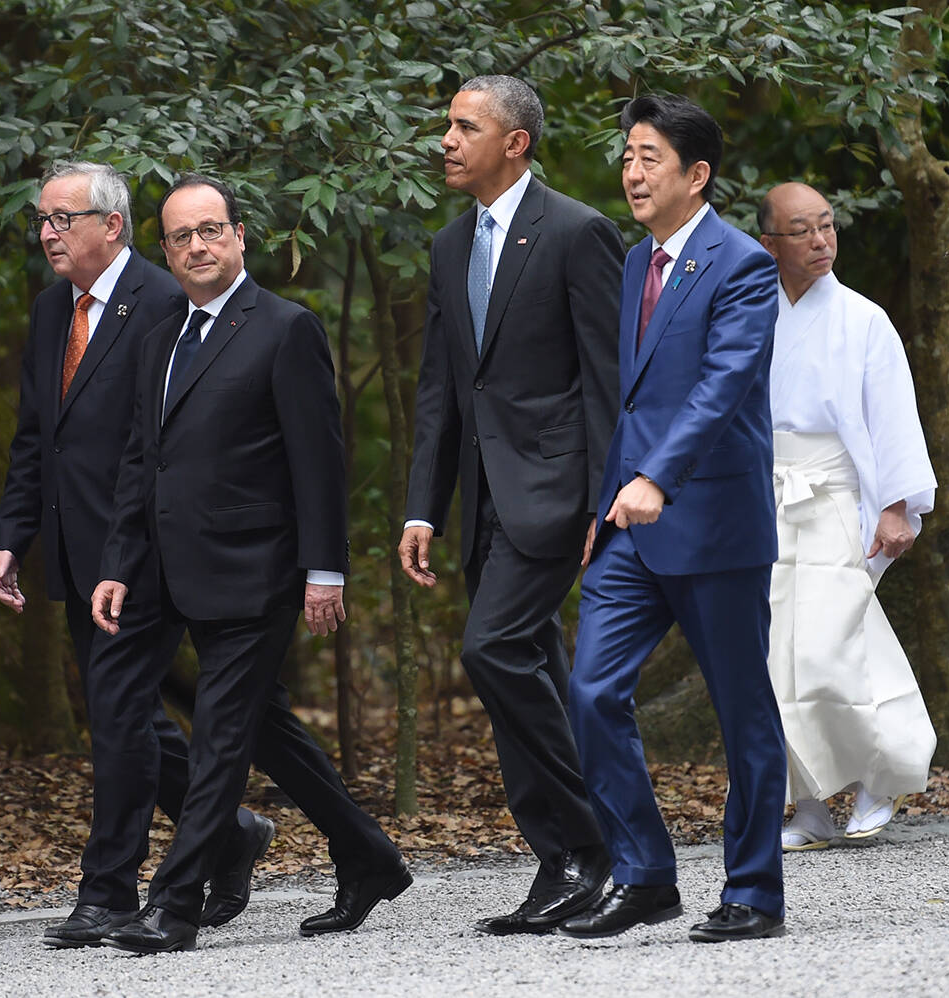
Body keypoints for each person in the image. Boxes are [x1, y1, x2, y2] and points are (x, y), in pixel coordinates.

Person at [90, 174, 408, 954]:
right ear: (162, 249)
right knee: (260, 727)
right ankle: (368, 855)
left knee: (219, 740)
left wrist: (324, 572)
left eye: (210, 230)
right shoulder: (159, 332)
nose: (196, 246)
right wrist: (119, 562)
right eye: (180, 237)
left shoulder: (284, 328)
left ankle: (173, 904)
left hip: (254, 572)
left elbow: (318, 463)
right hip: (166, 571)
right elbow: (143, 461)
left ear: (240, 236)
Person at [0, 161, 274, 946]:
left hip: (146, 553)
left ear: (110, 225)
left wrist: (130, 550)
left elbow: (158, 448)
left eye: (60, 218)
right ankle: (232, 834)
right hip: (76, 554)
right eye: (41, 221)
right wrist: (14, 536)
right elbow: (33, 439)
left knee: (118, 717)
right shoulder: (52, 312)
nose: (46, 233)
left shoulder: (162, 300)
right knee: (132, 718)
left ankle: (109, 889)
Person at [559, 94, 789, 944]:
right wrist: (608, 502)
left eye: (649, 156)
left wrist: (657, 476)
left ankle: (755, 891)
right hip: (631, 526)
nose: (631, 171)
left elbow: (722, 386)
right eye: (626, 156)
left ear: (697, 174)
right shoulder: (634, 264)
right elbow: (633, 402)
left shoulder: (742, 265)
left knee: (742, 713)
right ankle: (648, 872)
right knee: (589, 691)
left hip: (716, 522)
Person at [398, 74, 623, 935]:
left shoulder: (576, 231)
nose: (446, 140)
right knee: (524, 672)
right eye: (447, 126)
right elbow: (441, 391)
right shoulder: (450, 246)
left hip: (559, 490)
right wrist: (425, 508)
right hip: (485, 499)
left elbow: (608, 380)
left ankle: (591, 842)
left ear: (516, 142)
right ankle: (563, 861)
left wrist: (607, 501)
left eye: (465, 126)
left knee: (489, 650)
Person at [757, 182, 938, 850]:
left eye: (828, 226)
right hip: (770, 496)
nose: (820, 241)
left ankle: (880, 777)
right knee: (778, 659)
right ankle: (805, 805)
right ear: (769, 243)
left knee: (835, 644)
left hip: (838, 495)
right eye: (801, 230)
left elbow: (891, 418)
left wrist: (894, 506)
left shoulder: (864, 320)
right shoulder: (754, 314)